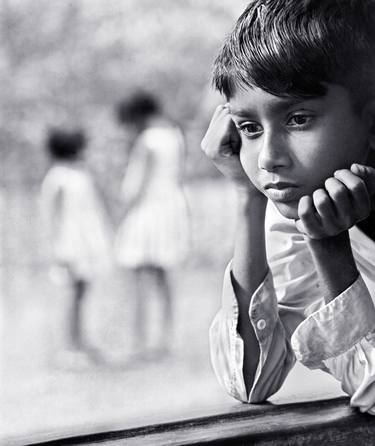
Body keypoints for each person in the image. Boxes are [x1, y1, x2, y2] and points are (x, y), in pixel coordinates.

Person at [201, 0, 375, 414]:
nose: (267, 159)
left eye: (298, 119)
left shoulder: (319, 221)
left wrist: (331, 251)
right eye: (250, 128)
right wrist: (247, 197)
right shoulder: (300, 219)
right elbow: (251, 381)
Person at [115, 91, 190, 358]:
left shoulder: (147, 141)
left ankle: (139, 341)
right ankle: (166, 338)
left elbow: (134, 186)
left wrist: (120, 213)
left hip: (148, 212)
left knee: (140, 279)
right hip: (170, 207)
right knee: (164, 278)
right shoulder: (174, 135)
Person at [41, 128, 112, 365]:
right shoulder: (58, 178)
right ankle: (67, 347)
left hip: (85, 244)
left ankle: (81, 341)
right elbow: (51, 217)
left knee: (82, 295)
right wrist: (57, 250)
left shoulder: (79, 174)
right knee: (70, 296)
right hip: (69, 246)